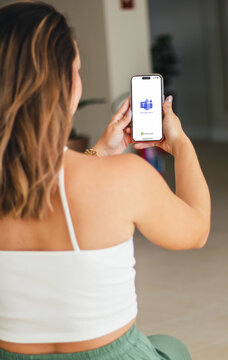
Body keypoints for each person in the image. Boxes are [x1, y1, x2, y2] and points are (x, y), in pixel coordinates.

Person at [0, 1, 211, 359]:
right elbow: (196, 229)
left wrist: (98, 153)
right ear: (64, 84)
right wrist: (181, 144)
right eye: (77, 70)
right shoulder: (127, 178)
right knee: (172, 347)